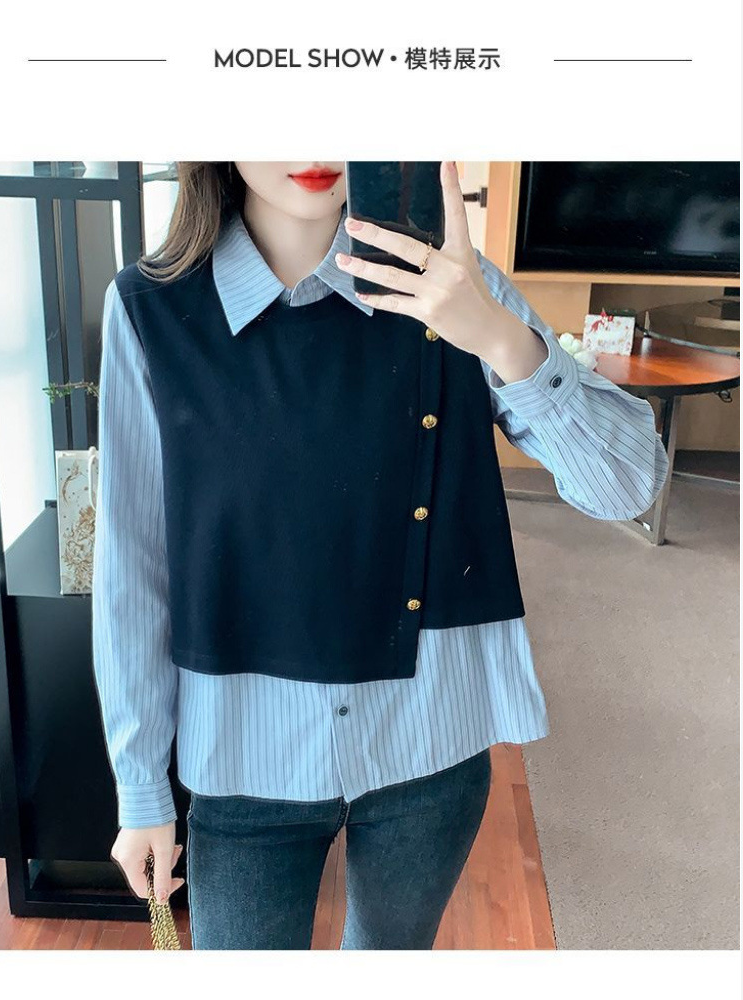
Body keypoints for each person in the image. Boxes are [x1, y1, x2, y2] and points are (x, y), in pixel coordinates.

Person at [91, 160, 669, 950]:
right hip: (244, 762)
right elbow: (134, 569)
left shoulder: (454, 286)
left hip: (428, 748)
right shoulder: (151, 309)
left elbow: (630, 485)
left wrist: (499, 336)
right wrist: (140, 789)